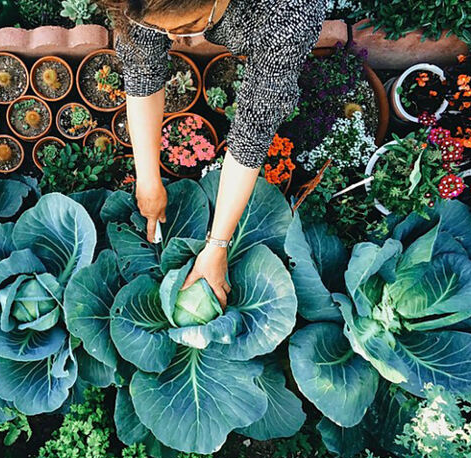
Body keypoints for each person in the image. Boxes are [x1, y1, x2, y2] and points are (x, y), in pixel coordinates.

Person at [104, 0, 325, 307]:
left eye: (185, 27)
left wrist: (218, 246)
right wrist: (148, 180)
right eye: (159, 27)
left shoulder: (289, 13)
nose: (174, 37)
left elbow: (253, 130)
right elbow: (142, 66)